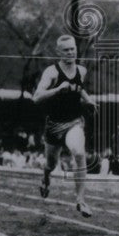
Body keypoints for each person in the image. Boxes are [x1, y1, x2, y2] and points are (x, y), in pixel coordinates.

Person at [32, 34, 98, 217]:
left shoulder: (82, 71)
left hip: (74, 122)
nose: (70, 52)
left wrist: (88, 100)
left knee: (78, 152)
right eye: (66, 50)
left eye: (73, 48)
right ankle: (46, 177)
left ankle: (81, 200)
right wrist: (57, 89)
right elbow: (36, 97)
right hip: (53, 125)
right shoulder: (51, 72)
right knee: (51, 164)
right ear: (58, 52)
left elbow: (79, 87)